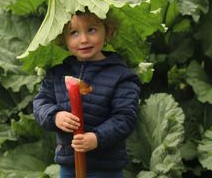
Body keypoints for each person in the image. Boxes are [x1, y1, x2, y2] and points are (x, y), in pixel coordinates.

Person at [33, 9, 141, 178]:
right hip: (69, 167)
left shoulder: (121, 75)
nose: (84, 39)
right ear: (63, 39)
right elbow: (40, 103)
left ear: (108, 31)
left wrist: (97, 138)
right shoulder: (57, 73)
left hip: (106, 168)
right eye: (74, 33)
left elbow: (125, 118)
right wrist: (55, 116)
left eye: (91, 30)